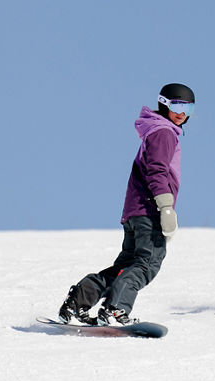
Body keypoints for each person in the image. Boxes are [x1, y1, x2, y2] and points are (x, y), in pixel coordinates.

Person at [57, 83, 195, 325]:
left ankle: (77, 302)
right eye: (176, 106)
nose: (182, 113)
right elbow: (157, 171)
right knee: (146, 264)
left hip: (135, 211)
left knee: (125, 267)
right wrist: (166, 207)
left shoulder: (155, 130)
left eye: (188, 108)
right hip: (150, 210)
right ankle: (115, 309)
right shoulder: (164, 133)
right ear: (164, 104)